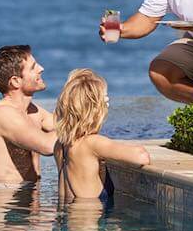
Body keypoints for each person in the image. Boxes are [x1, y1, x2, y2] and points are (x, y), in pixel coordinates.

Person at [53, 69, 150, 207]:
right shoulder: (92, 143)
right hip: (88, 225)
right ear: (95, 109)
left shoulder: (60, 145)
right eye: (105, 100)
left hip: (68, 222)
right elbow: (141, 157)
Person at [0, 45, 57, 187]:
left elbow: (63, 125)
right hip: (7, 201)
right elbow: (48, 146)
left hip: (30, 194)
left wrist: (91, 105)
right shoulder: (3, 114)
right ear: (15, 81)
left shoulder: (32, 110)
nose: (41, 68)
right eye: (33, 67)